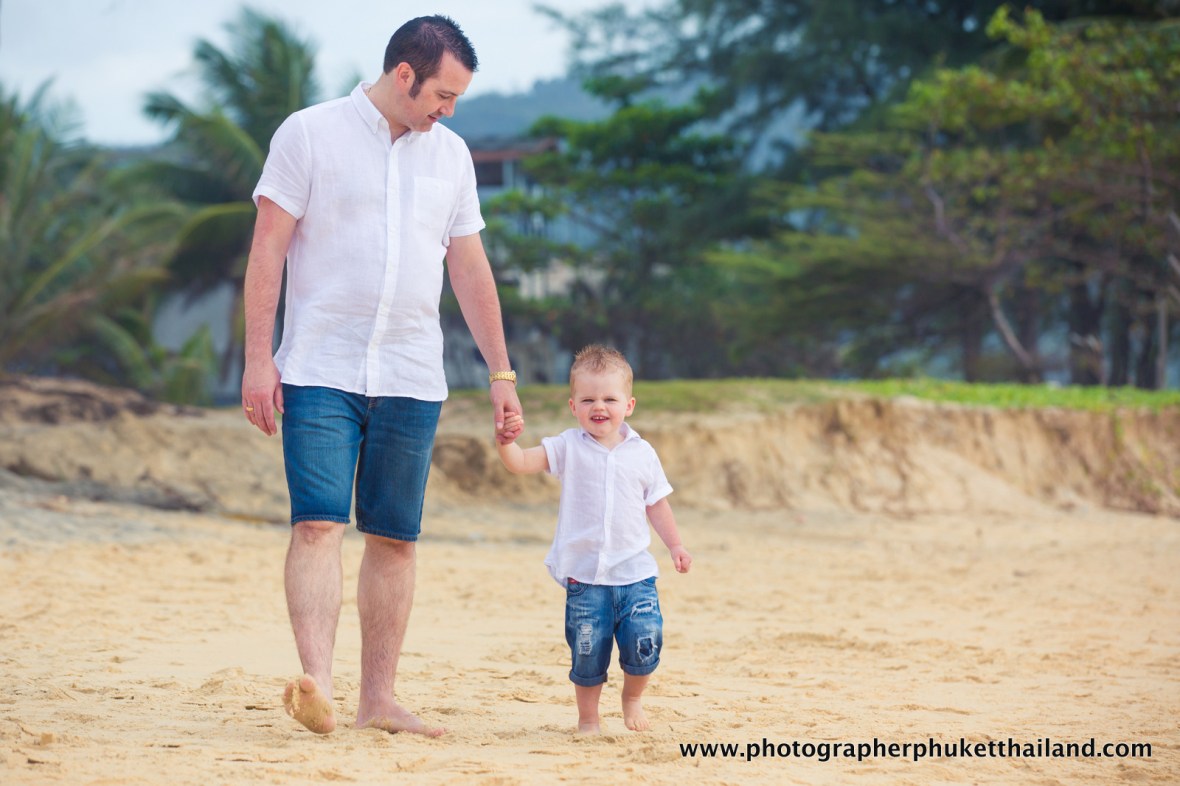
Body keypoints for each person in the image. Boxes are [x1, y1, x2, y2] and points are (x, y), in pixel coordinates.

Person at [240, 15, 522, 737]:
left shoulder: (450, 156)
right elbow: (268, 247)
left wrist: (502, 373)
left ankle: (379, 699)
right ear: (405, 75)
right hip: (319, 367)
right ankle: (320, 688)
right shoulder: (308, 133)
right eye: (442, 94)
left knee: (395, 538)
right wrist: (257, 357)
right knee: (317, 524)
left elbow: (468, 266)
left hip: (411, 372)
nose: (448, 110)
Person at [495, 345, 691, 734]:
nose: (598, 406)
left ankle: (632, 698)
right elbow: (519, 463)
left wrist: (675, 545)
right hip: (585, 578)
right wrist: (505, 441)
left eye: (609, 398)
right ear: (573, 405)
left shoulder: (643, 453)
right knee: (587, 653)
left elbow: (657, 505)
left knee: (645, 641)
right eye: (588, 399)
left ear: (629, 404)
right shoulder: (567, 446)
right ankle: (588, 718)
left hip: (636, 575)